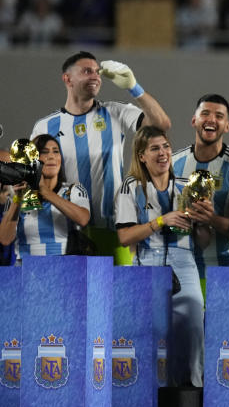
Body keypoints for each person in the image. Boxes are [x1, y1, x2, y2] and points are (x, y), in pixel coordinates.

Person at [32, 52, 171, 263]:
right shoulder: (45, 126)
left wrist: (133, 86)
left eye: (97, 72)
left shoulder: (115, 112)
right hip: (65, 232)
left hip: (114, 228)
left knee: (117, 294)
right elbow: (37, 180)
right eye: (87, 71)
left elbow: (162, 124)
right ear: (67, 79)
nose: (96, 77)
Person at [115, 126, 206, 387]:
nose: (163, 153)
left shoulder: (188, 187)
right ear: (141, 156)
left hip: (184, 261)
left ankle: (192, 393)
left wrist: (203, 222)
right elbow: (125, 237)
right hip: (147, 262)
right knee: (149, 334)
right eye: (155, 148)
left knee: (193, 330)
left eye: (165, 146)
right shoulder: (130, 187)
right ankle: (149, 395)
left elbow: (203, 241)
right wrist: (161, 220)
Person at [171, 94, 229, 279]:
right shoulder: (173, 163)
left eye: (219, 116)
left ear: (227, 126)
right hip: (181, 264)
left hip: (225, 263)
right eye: (205, 113)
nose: (211, 119)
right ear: (194, 120)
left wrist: (209, 218)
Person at [0, 134, 91, 259]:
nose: (51, 156)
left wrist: (45, 191)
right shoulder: (18, 194)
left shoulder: (72, 190)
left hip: (64, 266)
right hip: (26, 269)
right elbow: (4, 239)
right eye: (44, 152)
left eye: (56, 151)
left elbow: (83, 218)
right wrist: (18, 199)